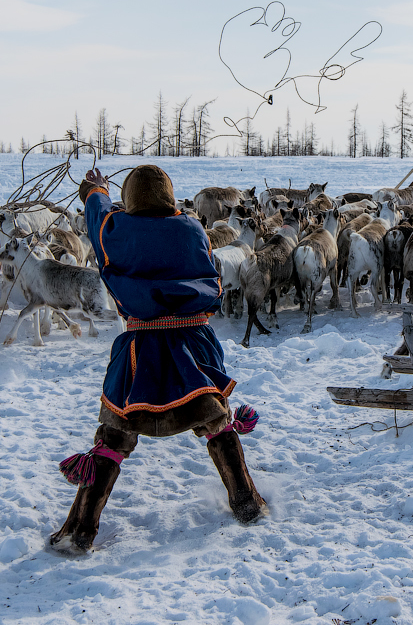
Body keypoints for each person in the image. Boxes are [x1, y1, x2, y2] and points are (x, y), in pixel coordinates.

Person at [50, 165, 267, 551]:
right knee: (217, 420)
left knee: (113, 437)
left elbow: (99, 221)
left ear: (130, 198)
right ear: (169, 196)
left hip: (141, 349)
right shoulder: (192, 228)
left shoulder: (117, 230)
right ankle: (247, 502)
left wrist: (96, 190)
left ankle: (80, 531)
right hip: (192, 345)